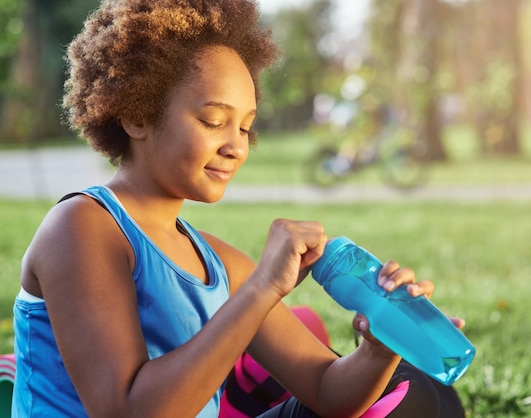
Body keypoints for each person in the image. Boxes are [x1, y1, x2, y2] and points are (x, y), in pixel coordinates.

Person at [12, 0, 466, 417]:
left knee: (417, 391)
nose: (236, 146)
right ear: (137, 115)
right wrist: (264, 286)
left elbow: (328, 390)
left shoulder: (221, 263)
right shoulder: (81, 228)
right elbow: (128, 410)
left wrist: (380, 348)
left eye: (246, 128)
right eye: (213, 121)